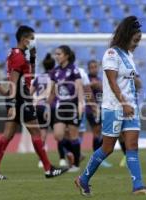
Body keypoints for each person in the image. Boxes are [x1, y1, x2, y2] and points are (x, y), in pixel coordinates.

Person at [75, 16, 146, 196]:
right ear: (127, 35)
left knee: (132, 145)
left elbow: (128, 81)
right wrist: (124, 103)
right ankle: (83, 179)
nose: (137, 44)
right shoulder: (111, 54)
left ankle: (138, 186)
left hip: (131, 108)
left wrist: (135, 85)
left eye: (138, 41)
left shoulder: (129, 55)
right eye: (135, 40)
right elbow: (112, 83)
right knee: (107, 148)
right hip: (114, 108)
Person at [0, 26, 67, 180]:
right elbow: (13, 82)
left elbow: (29, 76)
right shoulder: (18, 57)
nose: (33, 41)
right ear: (24, 39)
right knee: (36, 133)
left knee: (8, 135)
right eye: (31, 38)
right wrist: (11, 105)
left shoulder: (16, 54)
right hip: (20, 99)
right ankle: (48, 169)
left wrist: (33, 58)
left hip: (17, 98)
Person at [47, 45, 84, 173]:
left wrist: (81, 104)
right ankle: (75, 153)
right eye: (55, 54)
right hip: (60, 107)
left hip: (72, 106)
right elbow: (51, 92)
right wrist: (47, 107)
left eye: (59, 54)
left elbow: (79, 88)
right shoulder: (55, 72)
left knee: (73, 136)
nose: (56, 56)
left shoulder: (74, 70)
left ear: (66, 55)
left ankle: (76, 165)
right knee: (58, 135)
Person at [30, 53, 55, 168]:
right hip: (50, 106)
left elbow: (30, 92)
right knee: (61, 131)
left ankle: (41, 159)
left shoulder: (39, 77)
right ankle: (63, 158)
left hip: (38, 106)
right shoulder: (55, 76)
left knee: (42, 134)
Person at [86, 60, 112, 168]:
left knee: (100, 132)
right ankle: (96, 159)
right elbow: (85, 89)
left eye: (95, 67)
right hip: (91, 110)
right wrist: (92, 85)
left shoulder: (99, 79)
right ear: (88, 68)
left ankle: (98, 157)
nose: (94, 69)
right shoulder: (87, 79)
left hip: (101, 109)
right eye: (91, 67)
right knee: (97, 132)